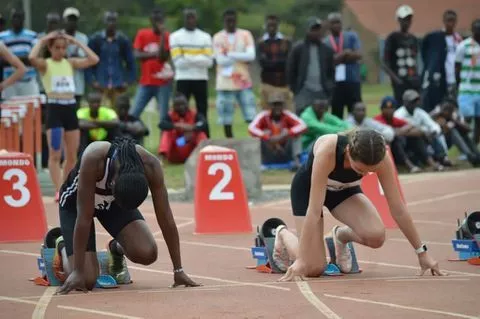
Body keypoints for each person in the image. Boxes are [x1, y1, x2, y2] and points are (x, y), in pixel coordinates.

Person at [278, 129, 445, 281]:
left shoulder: (381, 157)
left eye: (369, 171)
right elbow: (314, 211)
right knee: (312, 268)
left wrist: (422, 253)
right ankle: (281, 233)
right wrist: (301, 260)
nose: (363, 174)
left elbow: (398, 208)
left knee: (376, 236)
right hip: (308, 191)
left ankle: (339, 237)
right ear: (348, 152)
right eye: (359, 169)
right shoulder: (328, 151)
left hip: (343, 191)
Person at [55, 137, 201, 294]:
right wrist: (77, 270)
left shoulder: (151, 165)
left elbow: (166, 218)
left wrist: (178, 270)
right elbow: (84, 217)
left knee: (147, 253)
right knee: (86, 280)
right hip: (76, 205)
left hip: (113, 203)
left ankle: (115, 249)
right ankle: (62, 244)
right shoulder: (94, 158)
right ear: (112, 183)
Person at [29, 31, 99, 201]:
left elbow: (94, 59)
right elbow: (31, 58)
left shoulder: (70, 62)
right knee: (55, 153)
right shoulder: (46, 64)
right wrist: (44, 39)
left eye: (63, 47)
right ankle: (58, 189)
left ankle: (66, 186)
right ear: (51, 49)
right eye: (57, 47)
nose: (61, 50)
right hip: (54, 109)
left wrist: (76, 42)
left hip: (70, 109)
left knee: (72, 154)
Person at [170, 8, 213, 137]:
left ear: (196, 18)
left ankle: (205, 139)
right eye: (187, 17)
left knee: (202, 111)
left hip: (201, 78)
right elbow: (178, 62)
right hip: (183, 78)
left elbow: (209, 62)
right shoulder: (175, 36)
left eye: (192, 17)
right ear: (184, 19)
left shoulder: (205, 37)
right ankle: (179, 140)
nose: (190, 20)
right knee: (180, 112)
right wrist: (199, 58)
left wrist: (187, 56)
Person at [129, 8, 173, 121]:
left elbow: (163, 57)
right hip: (146, 81)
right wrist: (154, 54)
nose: (158, 22)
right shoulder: (142, 33)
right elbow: (137, 55)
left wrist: (163, 36)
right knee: (133, 114)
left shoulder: (167, 36)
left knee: (164, 118)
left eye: (160, 20)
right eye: (155, 20)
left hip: (163, 83)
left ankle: (164, 139)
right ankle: (139, 136)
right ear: (151, 20)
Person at [248, 92, 307, 169]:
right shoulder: (263, 116)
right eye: (274, 105)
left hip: (285, 150)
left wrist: (285, 135)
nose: (277, 107)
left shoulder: (287, 115)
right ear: (270, 106)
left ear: (283, 106)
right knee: (263, 133)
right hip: (269, 150)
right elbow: (251, 128)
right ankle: (256, 162)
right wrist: (267, 137)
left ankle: (296, 161)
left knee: (295, 135)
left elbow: (303, 125)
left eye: (279, 105)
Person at [382, 5, 420, 106]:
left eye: (409, 19)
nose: (407, 22)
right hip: (400, 81)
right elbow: (385, 63)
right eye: (404, 19)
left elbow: (414, 59)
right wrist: (396, 79)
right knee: (401, 106)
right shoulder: (392, 38)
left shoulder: (413, 39)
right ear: (398, 20)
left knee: (416, 105)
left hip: (413, 79)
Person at [158, 93, 208, 164]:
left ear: (187, 104)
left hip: (191, 150)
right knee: (167, 132)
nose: (181, 107)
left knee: (200, 133)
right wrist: (177, 126)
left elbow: (204, 123)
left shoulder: (194, 114)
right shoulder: (170, 115)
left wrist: (192, 128)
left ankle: (206, 155)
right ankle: (161, 158)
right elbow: (161, 124)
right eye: (178, 105)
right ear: (174, 106)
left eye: (183, 104)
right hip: (177, 146)